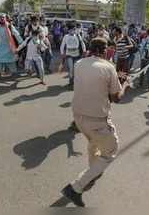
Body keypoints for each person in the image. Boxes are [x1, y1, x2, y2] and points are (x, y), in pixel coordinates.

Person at [61, 38, 129, 207]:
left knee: (93, 141)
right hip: (97, 120)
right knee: (110, 152)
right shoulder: (108, 67)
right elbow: (116, 98)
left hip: (78, 116)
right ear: (105, 50)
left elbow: (94, 84)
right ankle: (76, 187)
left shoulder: (79, 63)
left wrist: (116, 78)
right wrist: (125, 84)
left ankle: (93, 169)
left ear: (90, 49)